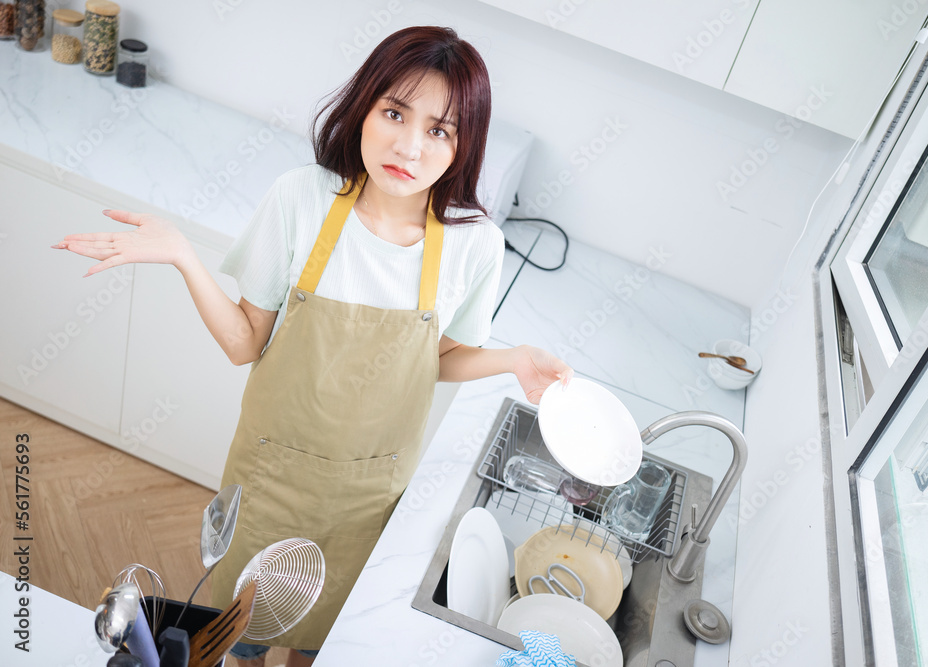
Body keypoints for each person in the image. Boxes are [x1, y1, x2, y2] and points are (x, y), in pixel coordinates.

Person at [53, 25, 572, 667]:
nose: (409, 146)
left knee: (319, 641)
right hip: (271, 478)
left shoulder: (474, 245)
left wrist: (512, 359)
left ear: (464, 146)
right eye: (393, 113)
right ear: (364, 106)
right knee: (237, 633)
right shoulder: (302, 200)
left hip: (367, 498)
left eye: (439, 130)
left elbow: (439, 359)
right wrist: (185, 257)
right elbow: (245, 344)